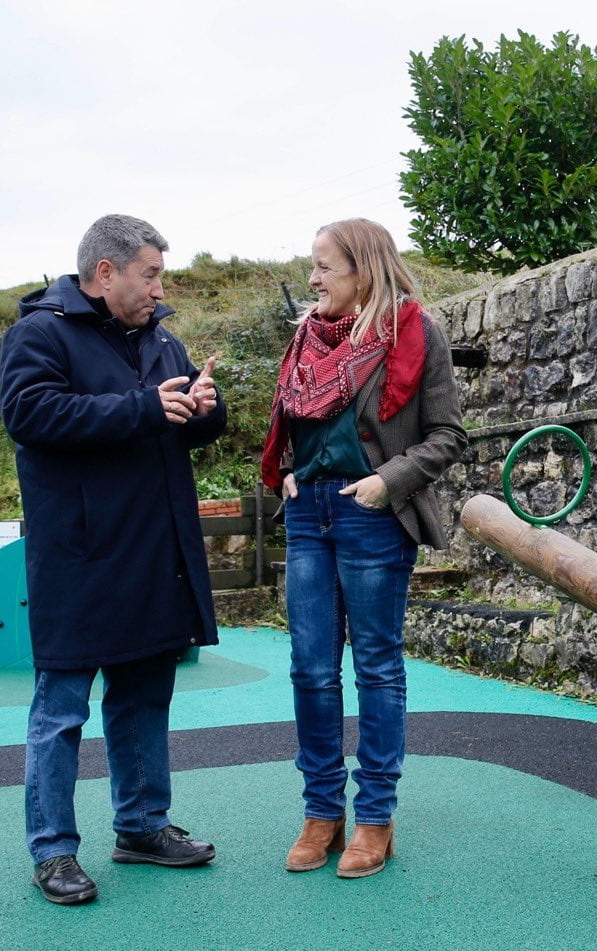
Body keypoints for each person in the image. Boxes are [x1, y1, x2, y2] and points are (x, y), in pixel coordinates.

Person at [0, 214, 226, 905]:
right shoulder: (38, 332)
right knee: (62, 709)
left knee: (144, 697)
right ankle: (53, 851)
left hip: (155, 553)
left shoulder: (161, 339)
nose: (161, 288)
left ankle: (142, 827)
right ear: (106, 273)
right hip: (80, 558)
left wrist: (204, 408)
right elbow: (32, 415)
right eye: (151, 273)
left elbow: (173, 422)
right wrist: (142, 407)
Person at [261, 218, 467, 879]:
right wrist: (292, 464)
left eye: (325, 266)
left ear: (364, 270)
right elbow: (298, 421)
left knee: (375, 668)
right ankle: (322, 813)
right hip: (309, 513)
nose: (313, 278)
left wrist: (388, 481)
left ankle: (375, 816)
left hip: (373, 514)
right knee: (311, 669)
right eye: (313, 266)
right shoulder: (305, 337)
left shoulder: (413, 331)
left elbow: (446, 434)